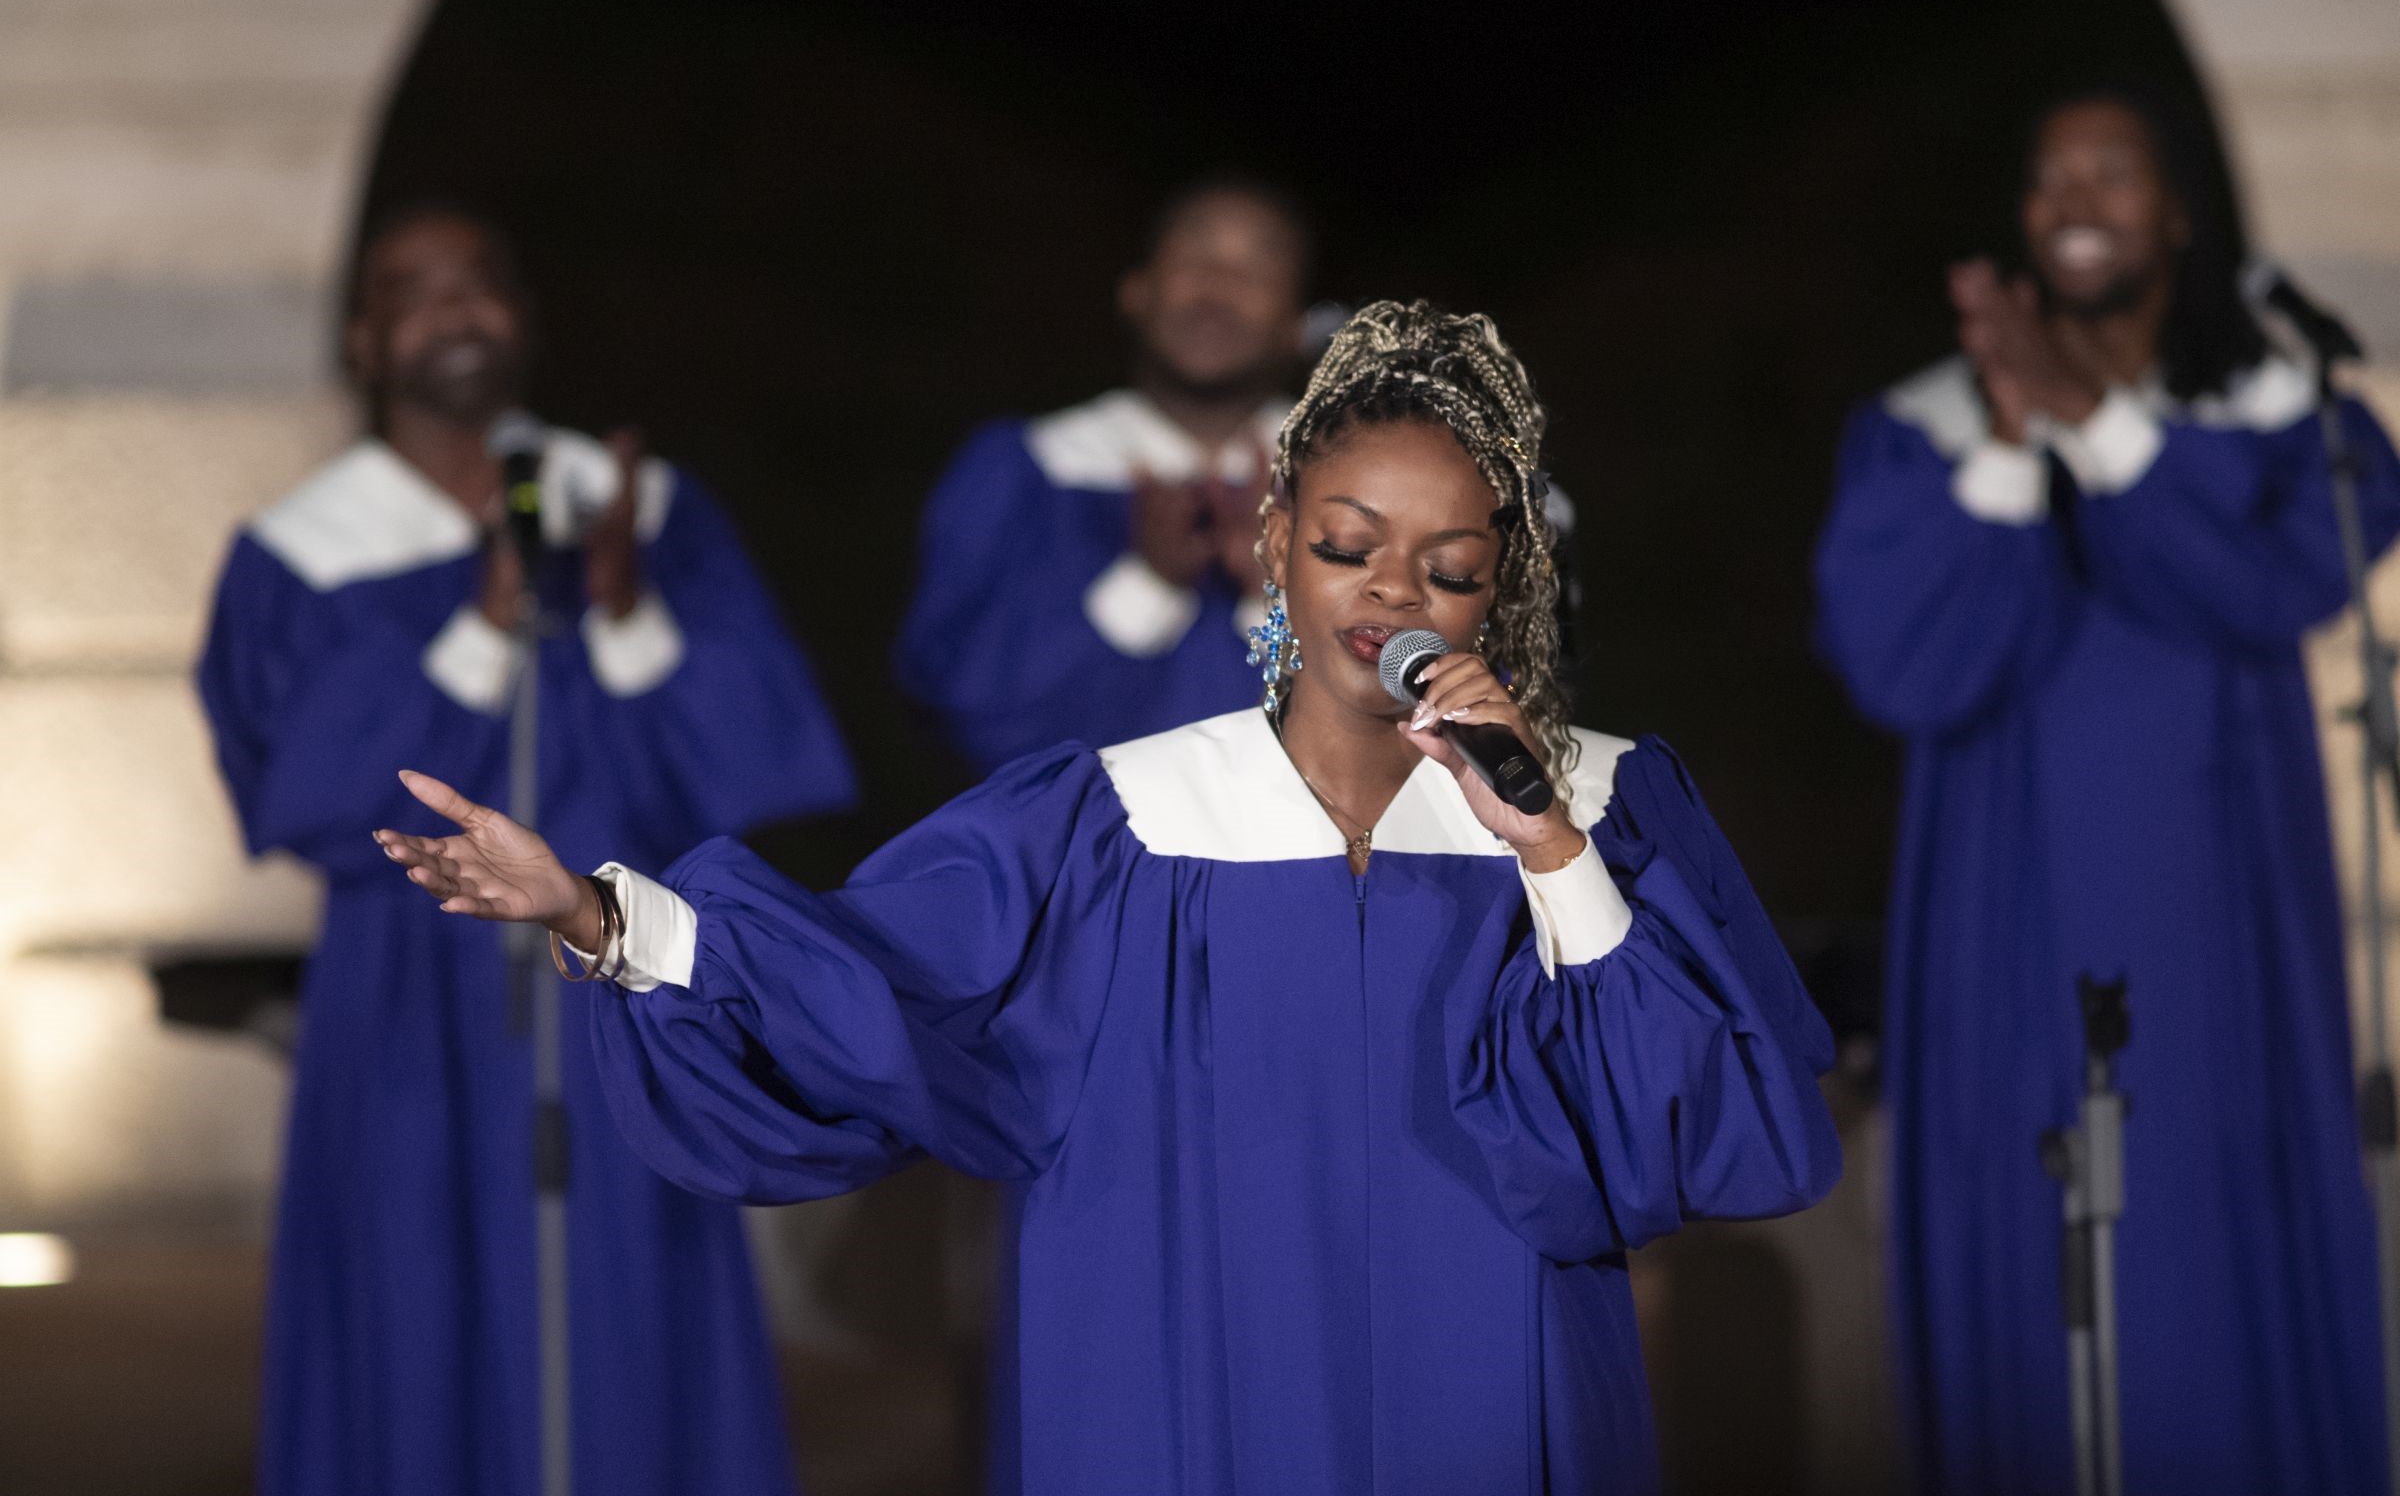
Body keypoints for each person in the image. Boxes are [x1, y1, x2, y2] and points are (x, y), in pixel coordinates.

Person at [375, 300, 1843, 1493]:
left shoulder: (1598, 798)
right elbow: (876, 977)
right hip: (1187, 1402)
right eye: (1345, 547)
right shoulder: (1117, 819)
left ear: (1500, 587)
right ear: (1274, 546)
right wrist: (600, 914)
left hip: (1498, 1412)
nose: (1389, 595)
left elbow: (1731, 1132)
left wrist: (1549, 853)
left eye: (1446, 569)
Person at [197, 203, 855, 1496]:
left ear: (525, 314)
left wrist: (622, 613)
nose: (456, 310)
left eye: (481, 283)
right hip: (404, 996)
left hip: (615, 963)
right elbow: (296, 794)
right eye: (415, 290)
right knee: (411, 1311)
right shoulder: (298, 551)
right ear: (364, 337)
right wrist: (484, 626)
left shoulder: (638, 509)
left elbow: (757, 756)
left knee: (626, 1312)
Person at [1815, 89, 2400, 1495]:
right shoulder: (1928, 434)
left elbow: (2276, 578)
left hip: (2221, 959)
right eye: (2048, 175)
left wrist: (2101, 426)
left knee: (2209, 1262)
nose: (2076, 197)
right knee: (2036, 1260)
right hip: (2006, 956)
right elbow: (1904, 663)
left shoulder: (2280, 425)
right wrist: (2020, 448)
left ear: (2180, 213)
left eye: (2113, 172)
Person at [897, 177, 1311, 771]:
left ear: (1295, 324)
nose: (1219, 286)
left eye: (1257, 267)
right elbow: (963, 716)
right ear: (1136, 293)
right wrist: (1148, 585)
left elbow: (1410, 740)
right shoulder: (1036, 468)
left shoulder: (1358, 492)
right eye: (1195, 256)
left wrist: (1278, 596)